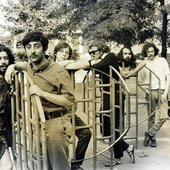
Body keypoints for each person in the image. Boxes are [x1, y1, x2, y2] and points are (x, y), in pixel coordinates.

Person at [5, 31, 75, 170]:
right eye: (28, 47)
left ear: (44, 49)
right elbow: (22, 65)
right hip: (39, 123)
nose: (32, 51)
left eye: (37, 46)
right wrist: (11, 67)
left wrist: (42, 93)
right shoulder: (30, 66)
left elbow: (69, 101)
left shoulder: (58, 70)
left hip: (56, 123)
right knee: (43, 165)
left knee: (59, 167)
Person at [65, 41, 135, 165]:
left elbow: (96, 67)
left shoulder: (110, 56)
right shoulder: (101, 60)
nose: (92, 54)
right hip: (107, 95)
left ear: (101, 50)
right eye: (90, 52)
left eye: (94, 52)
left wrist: (89, 64)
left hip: (116, 94)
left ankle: (118, 156)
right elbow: (90, 67)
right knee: (104, 125)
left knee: (111, 124)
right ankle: (127, 147)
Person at [53, 41, 92, 170]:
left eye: (67, 53)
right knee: (61, 141)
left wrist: (66, 64)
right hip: (55, 111)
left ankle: (76, 164)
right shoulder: (50, 67)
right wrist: (66, 64)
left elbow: (86, 63)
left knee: (86, 133)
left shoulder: (69, 66)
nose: (64, 54)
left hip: (68, 110)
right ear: (55, 53)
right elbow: (55, 66)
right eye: (61, 51)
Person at [137, 42, 170, 147]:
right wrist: (146, 91)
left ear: (155, 51)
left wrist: (165, 93)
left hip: (162, 91)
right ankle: (153, 139)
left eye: (152, 51)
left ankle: (150, 133)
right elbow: (139, 81)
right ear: (145, 53)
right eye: (148, 52)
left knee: (164, 116)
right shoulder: (143, 63)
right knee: (151, 117)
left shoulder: (162, 61)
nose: (150, 53)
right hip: (150, 92)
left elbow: (168, 77)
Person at [0, 45, 14, 170]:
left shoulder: (7, 79)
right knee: (7, 165)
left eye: (5, 58)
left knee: (7, 165)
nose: (3, 62)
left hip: (4, 128)